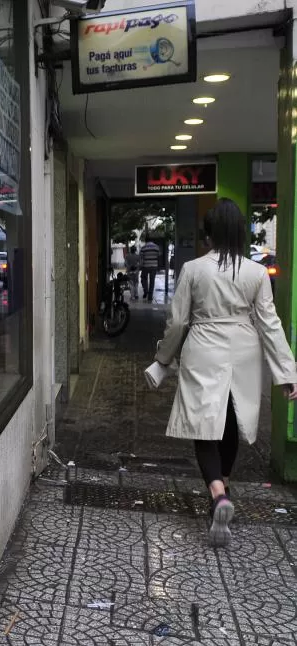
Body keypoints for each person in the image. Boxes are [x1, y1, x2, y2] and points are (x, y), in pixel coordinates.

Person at [155, 198, 297, 547]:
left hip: (204, 347)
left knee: (204, 423)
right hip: (244, 351)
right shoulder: (256, 272)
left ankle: (218, 494)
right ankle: (225, 484)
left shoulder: (194, 270)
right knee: (231, 421)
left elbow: (178, 322)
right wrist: (286, 372)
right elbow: (270, 323)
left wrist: (163, 358)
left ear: (210, 234)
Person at [140, 238, 161, 302]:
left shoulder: (143, 247)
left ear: (146, 241)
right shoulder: (156, 247)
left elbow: (141, 257)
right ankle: (150, 297)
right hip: (154, 266)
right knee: (152, 281)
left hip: (145, 266)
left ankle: (146, 290)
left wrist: (141, 265)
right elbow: (159, 255)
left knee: (143, 278)